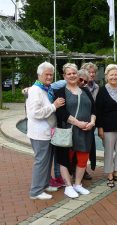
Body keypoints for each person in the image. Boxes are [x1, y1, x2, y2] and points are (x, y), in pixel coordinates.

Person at [54, 63, 96, 198]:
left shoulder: (86, 91)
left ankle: (78, 184)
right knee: (65, 159)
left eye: (74, 73)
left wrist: (92, 122)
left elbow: (94, 110)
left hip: (86, 131)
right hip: (68, 131)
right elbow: (61, 113)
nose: (72, 75)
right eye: (69, 74)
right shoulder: (60, 92)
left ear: (78, 74)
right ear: (64, 76)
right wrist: (78, 123)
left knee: (83, 159)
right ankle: (68, 186)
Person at [26, 62, 65, 200]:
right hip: (39, 133)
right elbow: (35, 113)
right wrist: (54, 106)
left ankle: (45, 184)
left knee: (47, 161)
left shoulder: (46, 88)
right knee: (41, 161)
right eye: (46, 74)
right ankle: (35, 191)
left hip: (47, 132)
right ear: (39, 75)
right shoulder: (35, 90)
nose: (49, 77)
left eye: (51, 74)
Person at [96, 64, 117, 188]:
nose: (114, 77)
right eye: (111, 75)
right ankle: (109, 174)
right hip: (108, 126)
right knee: (109, 151)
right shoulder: (102, 90)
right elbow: (98, 111)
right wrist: (100, 128)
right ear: (107, 76)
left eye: (116, 75)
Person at [81, 62, 99, 180]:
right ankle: (79, 169)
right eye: (89, 72)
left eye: (93, 72)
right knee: (80, 146)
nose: (92, 74)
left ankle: (84, 168)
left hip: (92, 120)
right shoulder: (80, 85)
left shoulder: (97, 87)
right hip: (80, 120)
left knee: (89, 146)